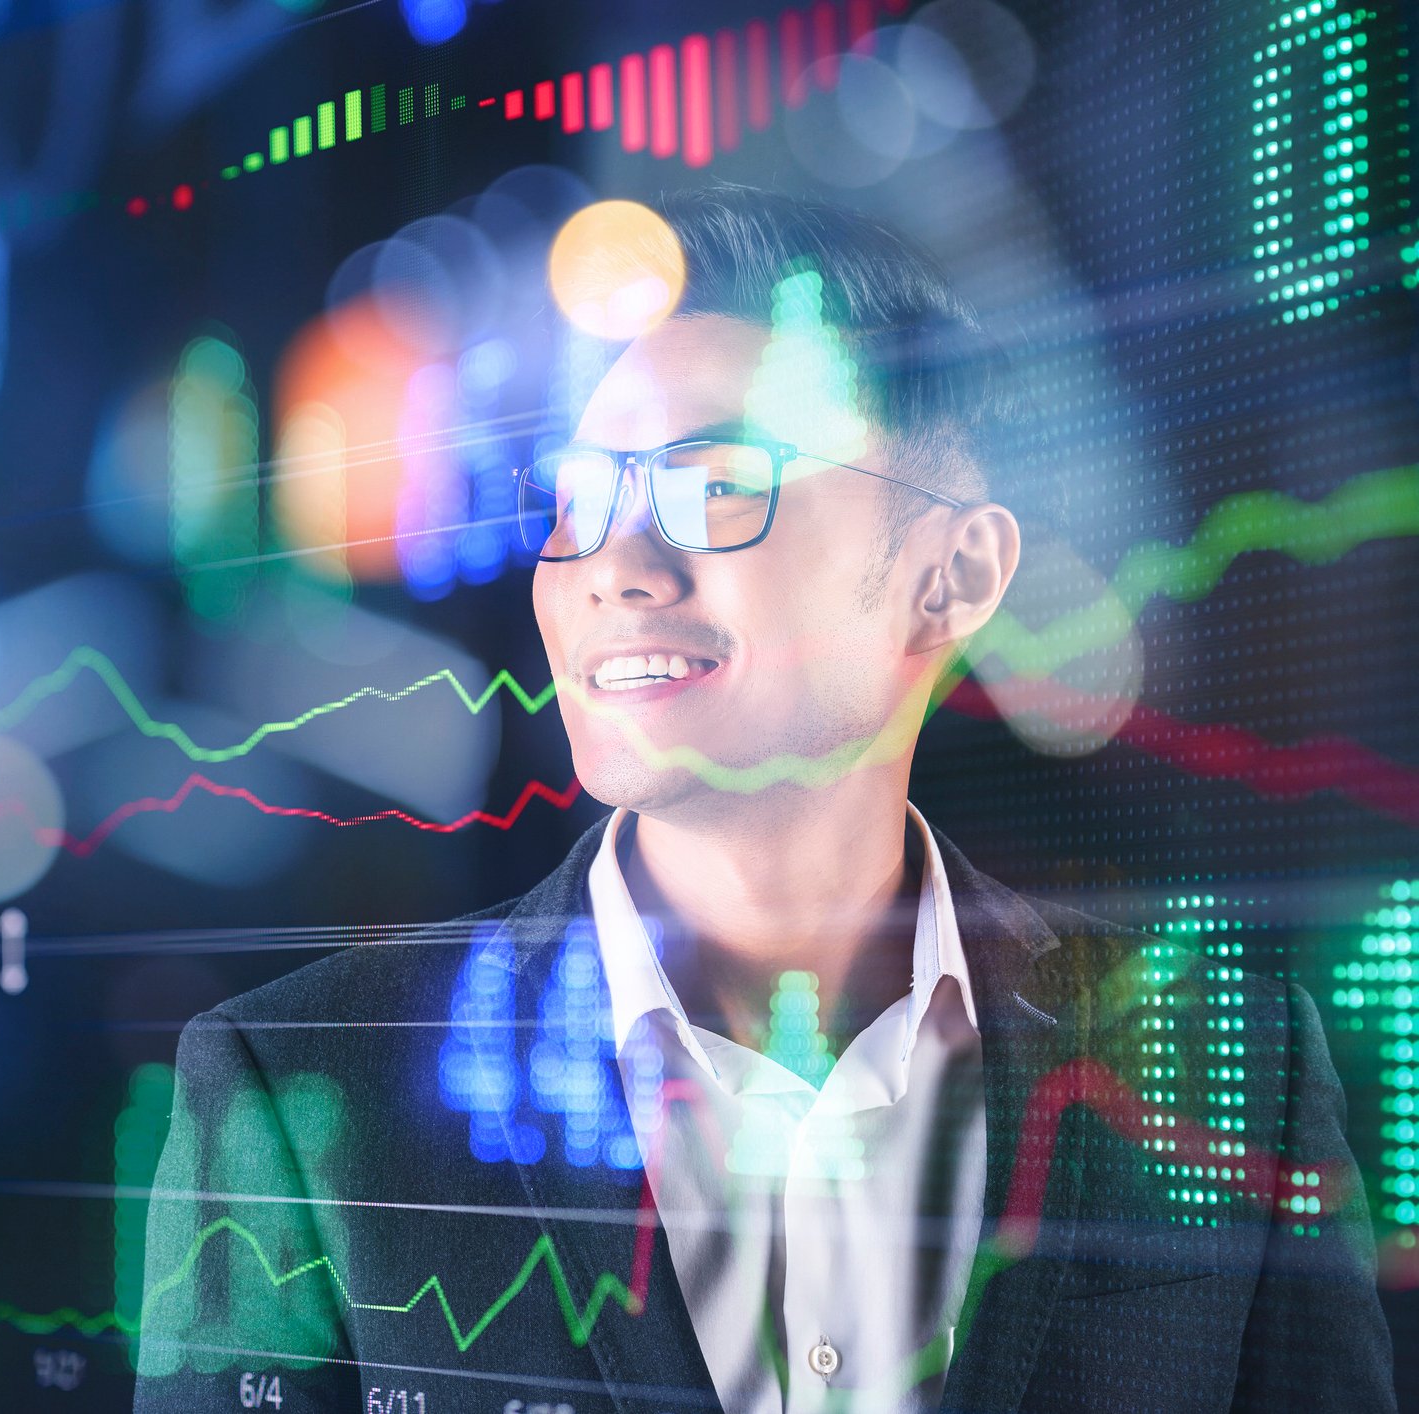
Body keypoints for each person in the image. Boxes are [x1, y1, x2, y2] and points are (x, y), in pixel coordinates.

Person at [130, 182, 1392, 1414]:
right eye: (580, 499)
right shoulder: (297, 1093)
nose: (612, 568)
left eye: (717, 485)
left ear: (948, 576)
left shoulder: (1230, 1073)